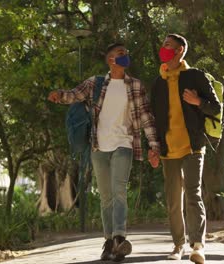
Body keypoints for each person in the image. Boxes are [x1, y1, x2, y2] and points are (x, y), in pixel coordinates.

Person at [48, 43, 160, 262]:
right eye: (120, 54)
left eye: (126, 53)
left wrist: (154, 147)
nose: (125, 56)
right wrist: (59, 95)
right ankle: (108, 242)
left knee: (119, 191)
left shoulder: (135, 85)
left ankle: (119, 237)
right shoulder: (96, 83)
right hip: (98, 147)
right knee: (106, 197)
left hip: (124, 144)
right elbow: (75, 95)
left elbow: (146, 118)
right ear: (111, 60)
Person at [149, 34, 222, 264]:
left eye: (168, 45)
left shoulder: (195, 76)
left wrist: (198, 101)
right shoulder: (159, 83)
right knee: (173, 200)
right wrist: (153, 148)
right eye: (162, 45)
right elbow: (154, 120)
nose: (164, 48)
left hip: (192, 146)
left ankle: (197, 246)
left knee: (193, 193)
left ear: (180, 50)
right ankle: (178, 245)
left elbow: (216, 108)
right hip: (168, 149)